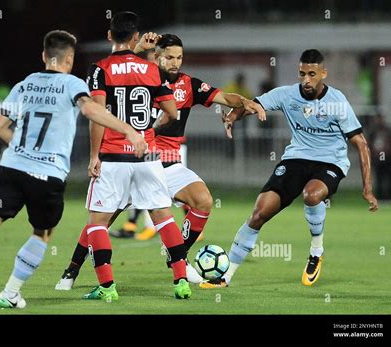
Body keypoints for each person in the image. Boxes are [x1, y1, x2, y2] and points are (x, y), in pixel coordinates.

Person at [0, 29, 146, 308]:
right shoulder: (72, 84)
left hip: (11, 166)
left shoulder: (24, 84)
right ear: (69, 59)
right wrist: (129, 131)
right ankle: (10, 292)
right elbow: (91, 110)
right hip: (47, 175)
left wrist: (24, 149)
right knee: (42, 233)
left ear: (44, 56)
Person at [55, 32, 265, 289]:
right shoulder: (141, 76)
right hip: (131, 161)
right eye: (169, 57)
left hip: (168, 163)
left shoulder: (188, 84)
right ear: (156, 56)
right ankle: (72, 269)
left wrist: (248, 103)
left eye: (179, 57)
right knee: (101, 222)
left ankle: (177, 256)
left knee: (203, 201)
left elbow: (225, 98)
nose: (175, 63)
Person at [202, 49, 379, 289]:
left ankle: (316, 251)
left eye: (312, 74)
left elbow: (361, 143)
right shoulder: (286, 94)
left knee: (312, 195)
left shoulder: (337, 101)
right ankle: (226, 277)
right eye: (302, 73)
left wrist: (367, 187)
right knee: (259, 213)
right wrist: (234, 116)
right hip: (296, 159)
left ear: (323, 74)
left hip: (331, 162)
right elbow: (252, 105)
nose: (306, 79)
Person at [56, 12, 193, 301]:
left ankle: (107, 287)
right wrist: (148, 132)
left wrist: (94, 155)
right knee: (164, 218)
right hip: (148, 156)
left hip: (113, 157)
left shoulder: (99, 69)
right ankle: (181, 281)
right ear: (135, 38)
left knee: (97, 223)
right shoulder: (152, 69)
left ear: (109, 36)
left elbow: (97, 115)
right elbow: (171, 112)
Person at [369, 114, 391, 200]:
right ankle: (380, 197)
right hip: (378, 160)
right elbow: (368, 144)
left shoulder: (389, 130)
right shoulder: (373, 132)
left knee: (390, 179)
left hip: (388, 159)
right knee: (379, 179)